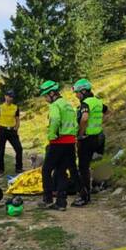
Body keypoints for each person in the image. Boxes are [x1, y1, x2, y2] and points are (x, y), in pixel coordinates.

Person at [39, 80, 78, 211]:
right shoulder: (68, 105)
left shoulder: (55, 105)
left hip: (58, 142)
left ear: (52, 93)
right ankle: (61, 203)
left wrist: (51, 135)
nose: (45, 99)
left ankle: (48, 199)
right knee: (61, 172)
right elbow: (75, 124)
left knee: (46, 170)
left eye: (45, 95)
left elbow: (55, 120)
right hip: (70, 142)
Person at [71, 78, 108, 207]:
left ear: (83, 92)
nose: (76, 95)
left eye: (77, 93)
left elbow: (85, 118)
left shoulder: (85, 103)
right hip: (99, 136)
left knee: (83, 167)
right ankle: (97, 186)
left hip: (87, 139)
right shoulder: (98, 101)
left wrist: (80, 134)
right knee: (97, 162)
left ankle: (85, 197)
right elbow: (107, 111)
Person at [0, 89, 24, 175]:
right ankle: (0, 170)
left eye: (12, 97)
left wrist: (16, 127)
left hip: (12, 131)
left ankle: (19, 168)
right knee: (1, 151)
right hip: (2, 130)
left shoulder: (15, 107)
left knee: (19, 149)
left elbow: (17, 119)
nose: (10, 98)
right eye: (9, 96)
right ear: (5, 96)